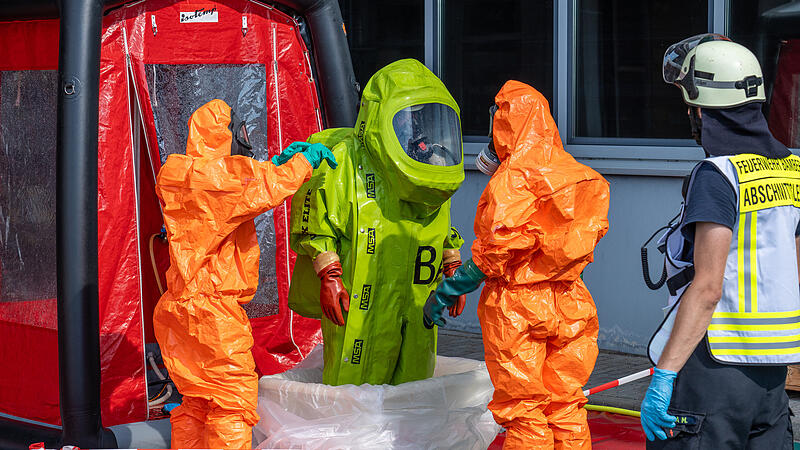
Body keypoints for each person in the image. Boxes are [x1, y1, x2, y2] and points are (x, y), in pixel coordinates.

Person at [424, 80, 610, 449]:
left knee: (524, 411)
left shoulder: (513, 180)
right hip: (571, 301)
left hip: (517, 308)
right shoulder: (583, 176)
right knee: (566, 405)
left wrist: (446, 291)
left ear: (505, 124)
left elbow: (493, 254)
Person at [641, 34, 800, 448]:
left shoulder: (717, 175)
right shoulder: (793, 169)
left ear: (701, 108)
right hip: (772, 374)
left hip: (714, 368)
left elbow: (708, 287)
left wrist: (664, 375)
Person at [153, 99, 336, 449]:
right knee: (232, 403)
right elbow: (260, 186)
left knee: (197, 402)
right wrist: (302, 163)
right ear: (225, 136)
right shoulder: (219, 181)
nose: (246, 143)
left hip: (178, 310)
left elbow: (241, 186)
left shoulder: (179, 175)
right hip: (213, 315)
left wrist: (275, 164)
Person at [287, 58, 466, 386]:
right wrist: (330, 275)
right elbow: (318, 221)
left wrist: (452, 266)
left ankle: (408, 422)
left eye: (418, 116)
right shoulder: (345, 159)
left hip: (417, 293)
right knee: (355, 377)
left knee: (415, 377)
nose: (413, 126)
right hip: (362, 293)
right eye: (406, 117)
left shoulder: (430, 165)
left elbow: (442, 223)